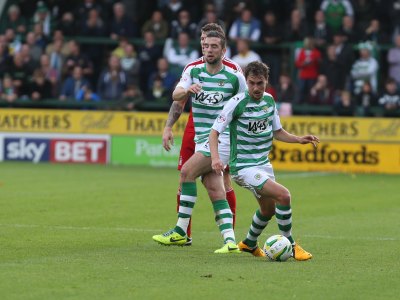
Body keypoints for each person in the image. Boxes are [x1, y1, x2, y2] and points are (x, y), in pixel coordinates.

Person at [209, 61, 317, 260]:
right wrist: (215, 158)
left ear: (267, 81)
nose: (256, 88)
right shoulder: (237, 102)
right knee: (284, 196)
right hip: (243, 167)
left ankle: (249, 243)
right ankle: (291, 246)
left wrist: (298, 139)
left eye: (260, 83)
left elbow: (277, 132)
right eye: (252, 83)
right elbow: (214, 132)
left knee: (268, 209)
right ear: (246, 82)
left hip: (263, 164)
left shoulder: (269, 101)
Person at [153, 30, 247, 253]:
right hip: (200, 139)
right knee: (214, 188)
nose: (209, 50)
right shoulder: (193, 70)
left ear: (223, 50)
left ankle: (180, 231)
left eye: (214, 46)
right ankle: (230, 241)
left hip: (221, 140)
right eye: (206, 46)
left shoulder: (235, 76)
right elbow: (176, 95)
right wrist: (187, 89)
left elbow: (246, 105)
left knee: (186, 173)